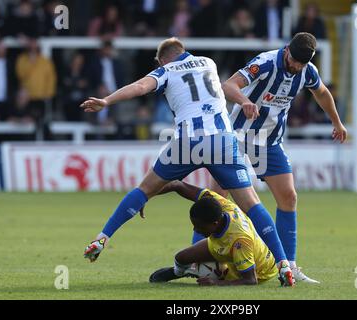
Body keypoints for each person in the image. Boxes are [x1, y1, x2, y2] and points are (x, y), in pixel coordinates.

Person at [80, 37, 295, 286]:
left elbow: (140, 87)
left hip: (187, 142)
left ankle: (101, 238)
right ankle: (284, 265)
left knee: (143, 189)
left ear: (162, 59)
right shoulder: (208, 62)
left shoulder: (165, 70)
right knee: (251, 203)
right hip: (222, 140)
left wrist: (106, 101)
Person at [211, 32, 348, 284]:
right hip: (238, 137)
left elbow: (322, 93)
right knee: (216, 200)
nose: (296, 66)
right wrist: (244, 101)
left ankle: (289, 265)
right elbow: (228, 85)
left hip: (269, 143)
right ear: (287, 50)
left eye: (302, 64)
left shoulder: (307, 71)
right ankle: (203, 263)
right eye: (294, 60)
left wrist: (337, 122)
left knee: (289, 196)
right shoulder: (264, 63)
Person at [148, 181, 279, 286]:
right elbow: (177, 185)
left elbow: (250, 281)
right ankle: (179, 272)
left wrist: (216, 283)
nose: (196, 230)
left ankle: (207, 271)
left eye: (199, 227)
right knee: (181, 258)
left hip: (260, 270)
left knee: (220, 274)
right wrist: (145, 196)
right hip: (224, 245)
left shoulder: (239, 241)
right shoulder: (219, 204)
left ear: (215, 223)